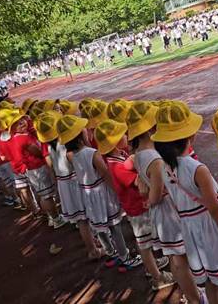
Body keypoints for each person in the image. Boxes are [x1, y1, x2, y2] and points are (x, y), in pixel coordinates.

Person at [152, 101, 218, 304]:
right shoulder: (197, 169)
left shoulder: (164, 167)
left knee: (210, 284)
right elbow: (215, 210)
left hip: (190, 231)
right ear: (189, 135)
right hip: (210, 231)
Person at [128, 101, 204, 303]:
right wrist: (152, 197)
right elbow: (156, 194)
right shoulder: (155, 159)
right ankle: (194, 297)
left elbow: (144, 185)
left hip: (162, 214)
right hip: (168, 212)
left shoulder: (139, 154)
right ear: (150, 129)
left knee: (174, 256)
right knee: (180, 259)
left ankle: (188, 294)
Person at [95, 118, 175, 288]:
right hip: (138, 208)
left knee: (147, 240)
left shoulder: (119, 157)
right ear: (115, 143)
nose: (126, 136)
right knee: (144, 244)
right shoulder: (116, 166)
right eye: (122, 135)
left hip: (138, 206)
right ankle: (156, 276)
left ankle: (152, 266)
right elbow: (141, 183)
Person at [57, 114, 141, 270]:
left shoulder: (69, 155)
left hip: (87, 194)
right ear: (79, 135)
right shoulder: (92, 153)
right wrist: (116, 192)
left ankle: (111, 252)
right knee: (114, 226)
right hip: (101, 192)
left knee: (99, 226)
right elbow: (105, 174)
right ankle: (125, 256)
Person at [35, 111, 103, 259]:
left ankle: (92, 246)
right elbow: (77, 161)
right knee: (86, 217)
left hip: (64, 184)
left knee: (81, 220)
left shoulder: (50, 146)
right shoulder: (65, 145)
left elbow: (52, 167)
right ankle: (93, 249)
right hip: (74, 182)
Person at [7, 113, 67, 228]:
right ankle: (56, 219)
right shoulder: (23, 138)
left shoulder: (19, 136)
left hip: (33, 169)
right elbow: (38, 152)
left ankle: (51, 217)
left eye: (22, 120)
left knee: (43, 194)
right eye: (17, 123)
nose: (21, 123)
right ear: (13, 128)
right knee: (47, 195)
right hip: (37, 168)